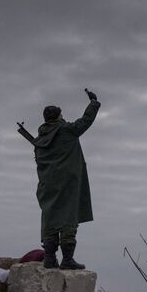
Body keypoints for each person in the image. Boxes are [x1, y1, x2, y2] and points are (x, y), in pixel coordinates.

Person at [31, 89, 101, 269]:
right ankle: (67, 259)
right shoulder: (66, 130)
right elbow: (85, 121)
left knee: (50, 220)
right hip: (67, 183)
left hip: (46, 186)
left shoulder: (39, 141)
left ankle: (49, 258)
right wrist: (93, 103)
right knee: (68, 219)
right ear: (59, 116)